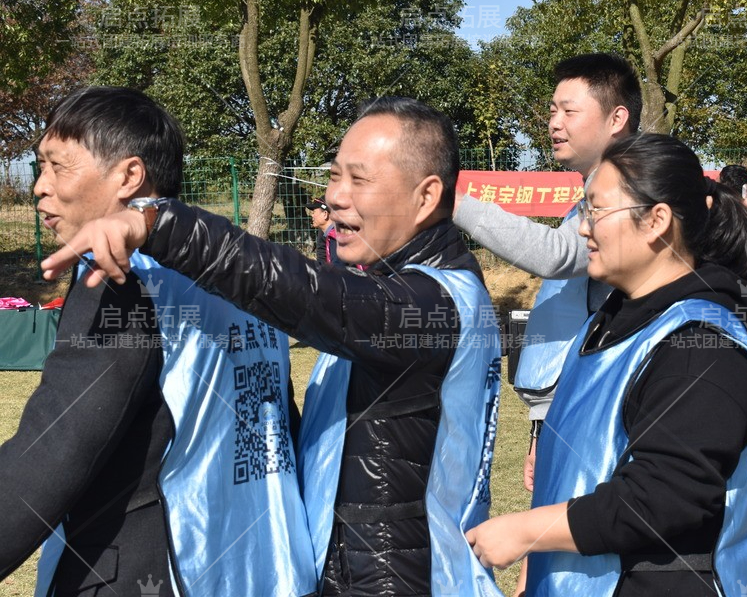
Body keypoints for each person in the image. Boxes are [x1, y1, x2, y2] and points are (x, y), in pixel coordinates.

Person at [42, 96, 504, 597]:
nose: (337, 197)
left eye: (359, 179)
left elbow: (307, 292)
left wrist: (160, 224)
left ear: (426, 195)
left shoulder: (433, 304)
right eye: (333, 176)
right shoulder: (391, 286)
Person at [1, 87, 316, 596]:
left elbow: (55, 450)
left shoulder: (120, 275)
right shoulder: (242, 272)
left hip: (153, 566)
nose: (40, 186)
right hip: (262, 568)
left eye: (58, 166)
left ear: (128, 176)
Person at [466, 133, 747, 597]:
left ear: (656, 221)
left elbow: (661, 499)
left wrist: (524, 532)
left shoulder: (702, 348)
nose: (583, 228)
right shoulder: (612, 319)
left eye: (596, 211)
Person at [453, 53, 640, 492]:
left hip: (595, 400)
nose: (554, 123)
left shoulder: (633, 186)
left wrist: (454, 202)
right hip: (563, 398)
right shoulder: (590, 191)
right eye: (553, 110)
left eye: (569, 111)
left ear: (617, 118)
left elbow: (558, 255)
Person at [305, 195, 341, 263]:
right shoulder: (328, 235)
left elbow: (338, 269)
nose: (312, 215)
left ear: (325, 214)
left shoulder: (335, 239)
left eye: (314, 212)